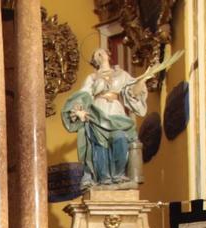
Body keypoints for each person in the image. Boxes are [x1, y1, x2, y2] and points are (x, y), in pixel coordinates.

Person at [61, 48, 148, 190]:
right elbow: (83, 95)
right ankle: (103, 179)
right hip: (97, 111)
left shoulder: (122, 75)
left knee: (120, 138)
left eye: (102, 52)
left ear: (109, 54)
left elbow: (131, 91)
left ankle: (118, 175)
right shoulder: (92, 78)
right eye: (97, 54)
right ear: (95, 60)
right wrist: (79, 111)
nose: (100, 54)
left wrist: (141, 82)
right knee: (99, 145)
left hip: (116, 111)